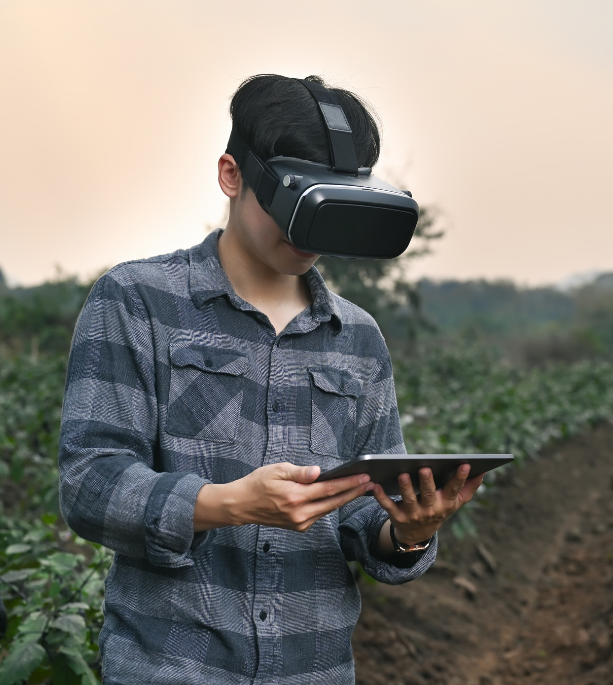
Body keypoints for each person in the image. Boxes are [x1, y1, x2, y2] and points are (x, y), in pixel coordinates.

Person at [58, 74, 483, 684]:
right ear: (232, 175)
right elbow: (90, 483)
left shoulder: (357, 338)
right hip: (171, 669)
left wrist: (407, 534)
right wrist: (227, 505)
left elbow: (366, 517)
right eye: (293, 200)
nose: (308, 233)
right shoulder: (136, 301)